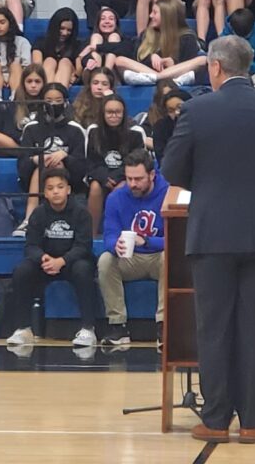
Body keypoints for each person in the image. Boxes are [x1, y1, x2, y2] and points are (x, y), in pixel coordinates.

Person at [161, 35, 255, 445]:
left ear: (215, 66)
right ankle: (254, 422)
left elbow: (172, 170)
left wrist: (207, 185)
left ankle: (216, 420)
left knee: (215, 327)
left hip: (213, 232)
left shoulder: (196, 109)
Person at [4, 167, 99, 349]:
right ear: (45, 193)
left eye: (60, 187)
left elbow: (84, 246)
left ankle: (88, 328)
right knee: (22, 271)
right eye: (50, 188)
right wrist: (43, 258)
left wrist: (62, 261)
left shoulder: (81, 213)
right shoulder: (38, 214)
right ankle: (23, 328)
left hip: (72, 263)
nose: (55, 191)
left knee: (84, 269)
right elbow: (30, 246)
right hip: (46, 263)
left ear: (68, 190)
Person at [97, 150, 167, 346]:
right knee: (105, 260)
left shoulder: (168, 194)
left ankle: (164, 326)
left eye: (138, 179)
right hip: (130, 258)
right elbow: (109, 234)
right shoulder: (116, 198)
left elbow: (178, 239)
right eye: (129, 178)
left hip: (157, 256)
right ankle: (118, 326)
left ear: (152, 175)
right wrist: (115, 245)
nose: (133, 184)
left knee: (169, 258)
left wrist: (147, 241)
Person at [16, 83, 88, 232]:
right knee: (42, 164)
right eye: (48, 101)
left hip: (71, 181)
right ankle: (29, 219)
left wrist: (65, 156)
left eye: (58, 100)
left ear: (65, 102)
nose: (53, 104)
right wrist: (35, 159)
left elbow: (81, 168)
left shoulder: (75, 129)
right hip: (34, 178)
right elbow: (21, 165)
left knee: (57, 165)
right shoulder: (31, 128)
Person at [84, 95, 145, 234]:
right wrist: (105, 177)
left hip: (127, 176)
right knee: (94, 188)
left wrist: (118, 177)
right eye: (109, 112)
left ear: (124, 113)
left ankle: (121, 234)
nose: (114, 116)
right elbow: (91, 162)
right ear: (103, 113)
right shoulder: (94, 131)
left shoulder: (135, 132)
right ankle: (91, 235)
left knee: (121, 188)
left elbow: (137, 161)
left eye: (118, 112)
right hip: (100, 176)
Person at [110, 0, 204, 86]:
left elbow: (189, 66)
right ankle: (160, 78)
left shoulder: (187, 37)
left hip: (175, 73)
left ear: (167, 16)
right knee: (120, 60)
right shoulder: (147, 34)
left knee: (202, 59)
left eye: (155, 12)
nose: (150, 15)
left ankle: (158, 78)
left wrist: (173, 63)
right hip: (151, 73)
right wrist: (151, 58)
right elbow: (137, 60)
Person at [221, 8, 255, 93]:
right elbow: (218, 57)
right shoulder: (225, 35)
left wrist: (249, 66)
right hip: (231, 71)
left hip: (254, 70)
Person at [33, 8, 83, 88]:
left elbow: (79, 68)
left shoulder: (77, 45)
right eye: (62, 28)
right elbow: (36, 67)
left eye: (69, 30)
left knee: (65, 62)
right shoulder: (41, 42)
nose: (65, 33)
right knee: (50, 61)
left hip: (68, 76)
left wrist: (75, 76)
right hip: (44, 75)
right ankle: (47, 95)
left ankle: (60, 96)